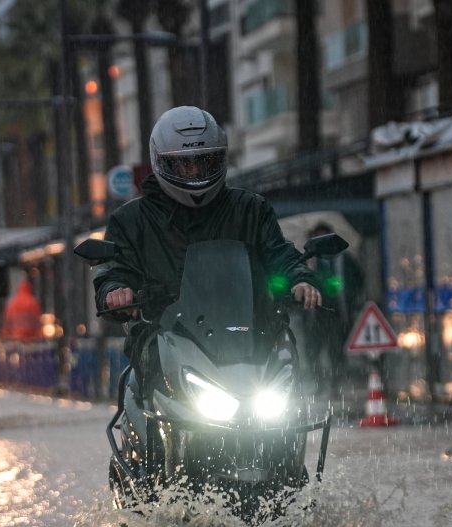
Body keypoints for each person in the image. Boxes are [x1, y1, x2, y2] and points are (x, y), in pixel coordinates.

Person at [94, 106, 322, 391]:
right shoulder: (131, 221)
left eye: (204, 161)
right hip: (166, 338)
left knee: (287, 396)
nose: (194, 172)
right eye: (183, 164)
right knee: (152, 387)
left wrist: (299, 278)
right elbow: (114, 268)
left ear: (220, 159)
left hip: (250, 335)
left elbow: (278, 253)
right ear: (160, 162)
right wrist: (115, 290)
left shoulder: (250, 209)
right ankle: (152, 431)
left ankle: (290, 432)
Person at [300, 222, 365, 393]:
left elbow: (357, 281)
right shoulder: (306, 260)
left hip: (337, 315)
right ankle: (319, 385)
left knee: (336, 353)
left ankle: (335, 386)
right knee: (312, 353)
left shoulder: (345, 260)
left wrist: (345, 292)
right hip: (314, 315)